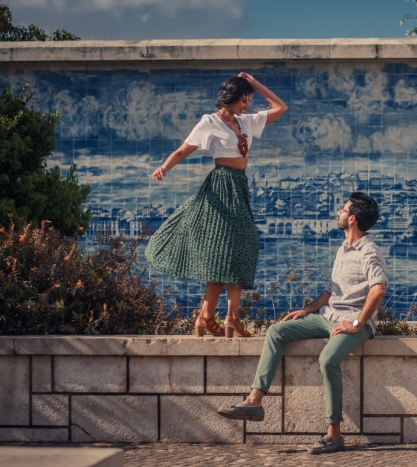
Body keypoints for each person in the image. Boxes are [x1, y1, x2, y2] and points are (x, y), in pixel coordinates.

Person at [217, 192, 388, 454]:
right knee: (276, 332)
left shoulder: (368, 250)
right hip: (328, 317)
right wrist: (306, 310)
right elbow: (330, 291)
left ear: (352, 218)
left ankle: (334, 434)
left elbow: (379, 288)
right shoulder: (343, 248)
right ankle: (254, 401)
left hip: (354, 324)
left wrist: (356, 322)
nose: (338, 213)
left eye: (342, 210)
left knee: (327, 359)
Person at [145, 72, 287, 338]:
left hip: (239, 186)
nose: (247, 105)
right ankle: (222, 317)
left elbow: (281, 107)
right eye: (244, 99)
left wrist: (254, 83)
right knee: (226, 252)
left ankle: (213, 316)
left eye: (249, 100)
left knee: (235, 250)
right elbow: (182, 150)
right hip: (220, 188)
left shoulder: (246, 121)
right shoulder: (209, 122)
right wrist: (163, 168)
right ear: (231, 97)